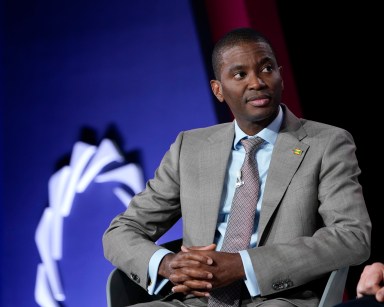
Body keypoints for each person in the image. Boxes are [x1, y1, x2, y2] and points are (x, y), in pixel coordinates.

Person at [102, 27, 371, 307]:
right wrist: (168, 264)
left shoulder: (326, 143)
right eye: (240, 74)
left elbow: (352, 236)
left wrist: (244, 265)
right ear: (218, 89)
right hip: (195, 301)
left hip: (276, 298)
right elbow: (122, 231)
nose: (257, 82)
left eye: (266, 69)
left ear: (280, 76)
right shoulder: (189, 148)